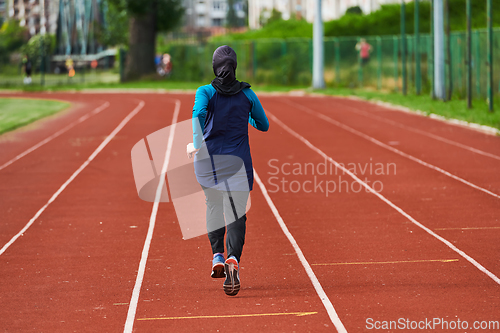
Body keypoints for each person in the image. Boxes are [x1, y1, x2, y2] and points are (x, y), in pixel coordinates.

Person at [187, 45, 269, 296]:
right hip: (239, 163)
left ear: (215, 66)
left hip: (208, 162)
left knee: (213, 206)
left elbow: (198, 113)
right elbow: (263, 125)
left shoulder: (205, 92)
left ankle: (218, 257)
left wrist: (196, 143)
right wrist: (248, 117)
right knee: (236, 214)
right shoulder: (247, 95)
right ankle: (234, 258)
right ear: (234, 67)